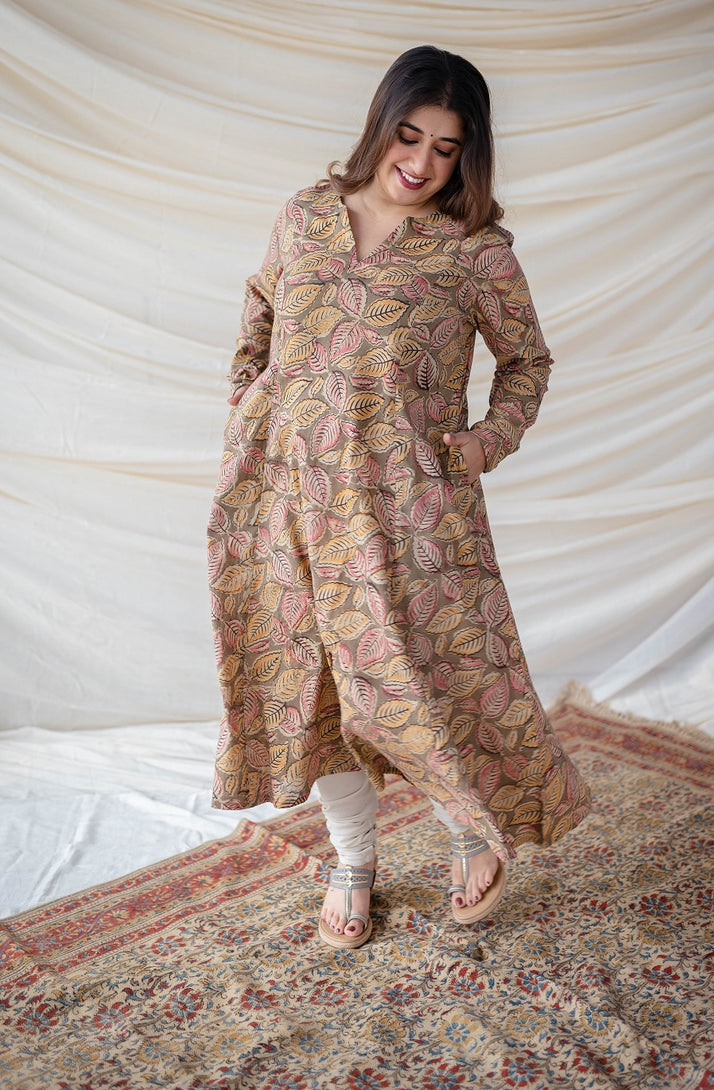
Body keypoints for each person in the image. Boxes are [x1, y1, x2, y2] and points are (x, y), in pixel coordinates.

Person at [208, 46, 591, 949]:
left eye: (446, 149)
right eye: (409, 136)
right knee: (307, 686)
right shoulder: (306, 215)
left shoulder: (474, 253)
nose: (420, 163)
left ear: (469, 157)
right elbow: (260, 309)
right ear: (381, 125)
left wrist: (486, 441)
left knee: (419, 679)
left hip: (410, 510)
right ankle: (353, 860)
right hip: (280, 500)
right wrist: (249, 403)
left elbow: (528, 362)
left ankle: (469, 829)